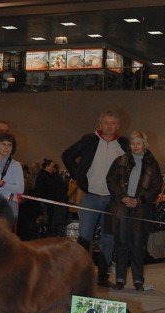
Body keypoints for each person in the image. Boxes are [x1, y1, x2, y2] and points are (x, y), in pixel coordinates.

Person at [62, 110, 129, 287]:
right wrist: (78, 176)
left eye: (113, 123)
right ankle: (80, 276)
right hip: (90, 196)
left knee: (108, 238)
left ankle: (102, 277)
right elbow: (66, 155)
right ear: (100, 124)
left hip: (112, 199)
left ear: (118, 126)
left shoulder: (124, 144)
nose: (109, 126)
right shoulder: (88, 140)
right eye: (106, 122)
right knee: (84, 236)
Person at [106, 130, 162, 291]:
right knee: (122, 242)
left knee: (138, 244)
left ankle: (138, 280)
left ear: (144, 144)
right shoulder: (120, 160)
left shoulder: (153, 163)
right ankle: (120, 279)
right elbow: (111, 180)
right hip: (122, 205)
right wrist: (122, 197)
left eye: (138, 143)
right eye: (132, 143)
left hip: (141, 208)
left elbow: (156, 186)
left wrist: (139, 200)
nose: (135, 146)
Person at [34, 159, 68, 237]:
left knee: (48, 222)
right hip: (45, 204)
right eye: (52, 166)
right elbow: (40, 191)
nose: (53, 168)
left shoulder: (49, 176)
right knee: (44, 222)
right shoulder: (42, 176)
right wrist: (42, 202)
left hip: (49, 203)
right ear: (47, 166)